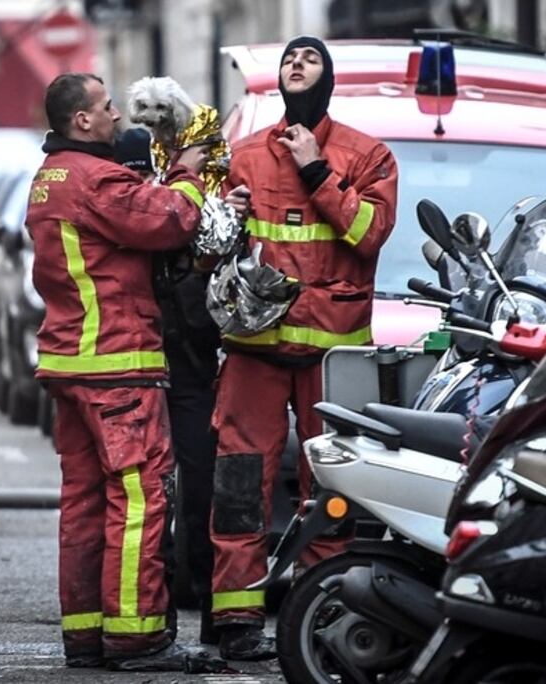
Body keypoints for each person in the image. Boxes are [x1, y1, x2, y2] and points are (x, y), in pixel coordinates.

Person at [207, 35, 399, 660]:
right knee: (240, 480)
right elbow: (218, 250)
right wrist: (225, 217)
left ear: (328, 76)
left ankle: (326, 611)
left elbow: (369, 234)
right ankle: (236, 620)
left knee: (333, 485)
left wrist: (318, 168)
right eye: (291, 57)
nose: (297, 65)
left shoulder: (368, 156)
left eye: (310, 58)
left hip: (331, 352)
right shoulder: (245, 157)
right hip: (255, 346)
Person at [28, 73, 218, 673]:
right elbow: (168, 220)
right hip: (118, 364)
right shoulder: (96, 179)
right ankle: (138, 638)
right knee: (138, 499)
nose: (118, 116)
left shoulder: (49, 179)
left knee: (83, 502)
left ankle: (86, 636)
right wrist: (187, 171)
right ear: (81, 120)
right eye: (108, 106)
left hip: (69, 362)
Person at [115, 126, 223, 647]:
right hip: (140, 369)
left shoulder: (184, 205)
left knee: (199, 494)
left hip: (186, 369)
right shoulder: (132, 208)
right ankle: (152, 621)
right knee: (149, 499)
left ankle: (204, 611)